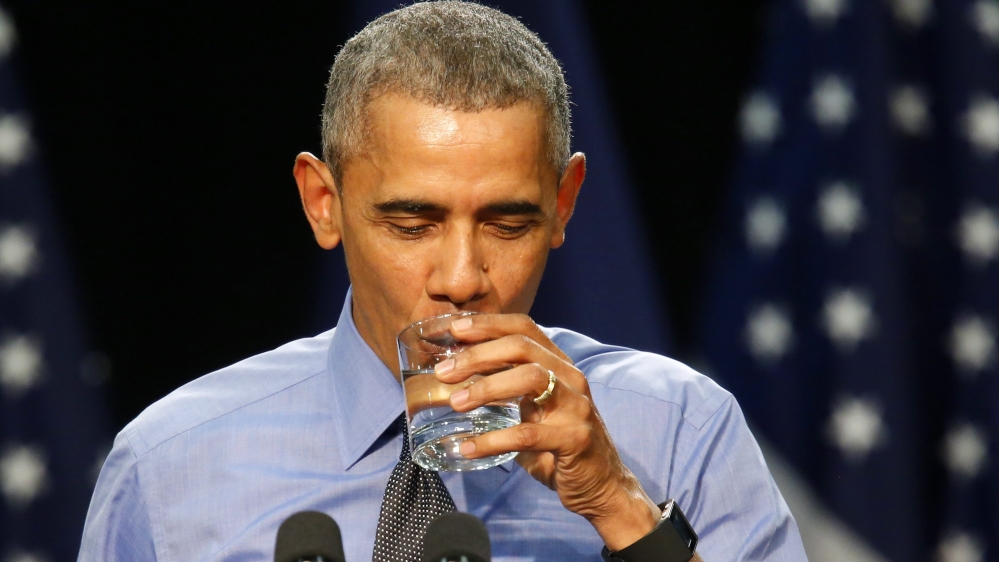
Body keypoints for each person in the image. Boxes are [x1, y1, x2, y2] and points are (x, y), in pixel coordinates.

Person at [78, 2, 807, 561]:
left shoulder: (680, 431)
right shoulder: (171, 465)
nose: (461, 279)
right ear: (323, 202)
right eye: (412, 223)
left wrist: (619, 506)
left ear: (563, 204)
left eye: (507, 224)